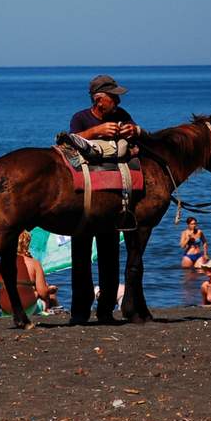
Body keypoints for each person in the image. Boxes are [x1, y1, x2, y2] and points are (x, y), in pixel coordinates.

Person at [67, 74, 140, 323]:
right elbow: (70, 146)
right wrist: (96, 131)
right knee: (80, 258)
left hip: (112, 200)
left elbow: (138, 145)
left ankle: (106, 310)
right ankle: (79, 312)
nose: (117, 102)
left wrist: (134, 131)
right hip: (85, 201)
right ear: (99, 100)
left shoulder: (122, 115)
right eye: (113, 97)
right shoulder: (80, 118)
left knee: (110, 257)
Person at [0, 231, 59, 316]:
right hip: (27, 309)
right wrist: (50, 290)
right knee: (49, 295)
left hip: (5, 310)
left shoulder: (4, 262)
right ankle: (50, 309)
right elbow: (43, 293)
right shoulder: (34, 263)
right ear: (27, 244)